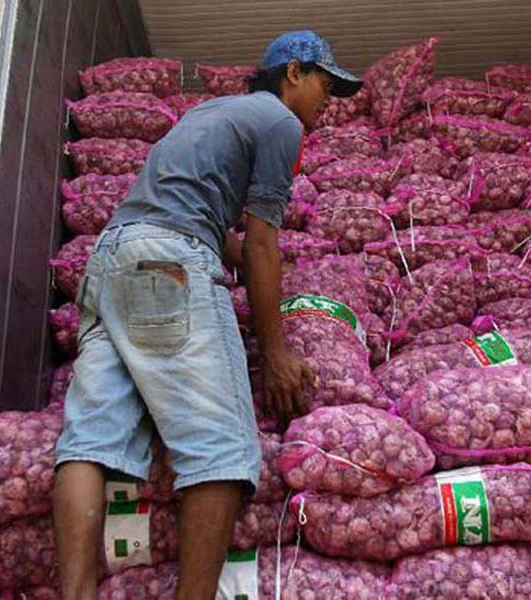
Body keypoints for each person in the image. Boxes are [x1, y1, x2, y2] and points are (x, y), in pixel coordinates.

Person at [52, 31, 362, 599]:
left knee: (91, 441)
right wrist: (275, 350)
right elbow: (261, 241)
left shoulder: (213, 113)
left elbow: (218, 230)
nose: (328, 100)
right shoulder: (279, 123)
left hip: (113, 262)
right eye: (325, 83)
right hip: (167, 268)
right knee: (220, 448)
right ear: (293, 72)